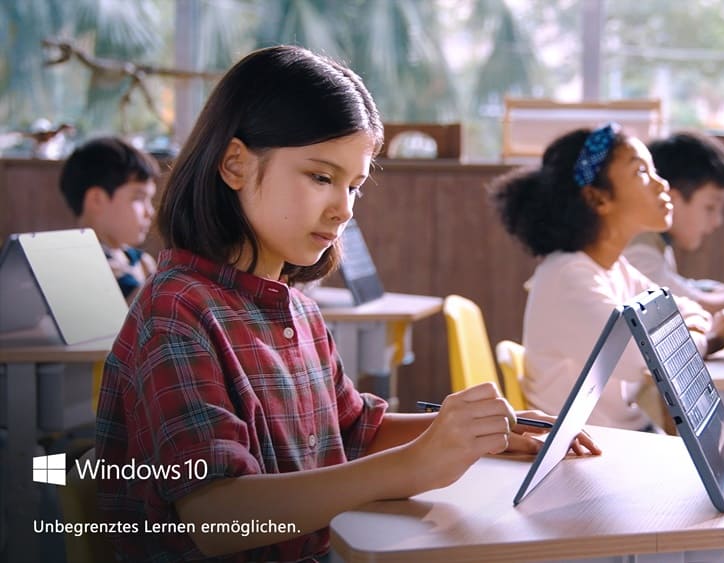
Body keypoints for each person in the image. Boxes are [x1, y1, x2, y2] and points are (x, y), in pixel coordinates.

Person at [95, 45, 598, 562]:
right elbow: (217, 516)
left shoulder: (297, 309)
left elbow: (354, 430)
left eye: (354, 185)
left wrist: (480, 431)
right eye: (320, 177)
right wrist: (416, 465)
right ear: (235, 164)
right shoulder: (176, 311)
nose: (343, 209)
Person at [490, 124, 724, 433]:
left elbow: (685, 309)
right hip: (587, 450)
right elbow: (650, 357)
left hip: (623, 437)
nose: (661, 184)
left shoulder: (614, 268)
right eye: (641, 173)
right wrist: (710, 339)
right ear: (598, 199)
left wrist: (688, 332)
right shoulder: (568, 279)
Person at [623, 131, 724, 313]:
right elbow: (678, 309)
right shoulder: (640, 252)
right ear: (670, 199)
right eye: (710, 207)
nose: (717, 221)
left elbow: (683, 288)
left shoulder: (655, 240)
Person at [59, 136, 159, 301]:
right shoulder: (77, 270)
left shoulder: (142, 262)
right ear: (97, 199)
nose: (150, 212)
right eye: (138, 198)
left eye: (150, 199)